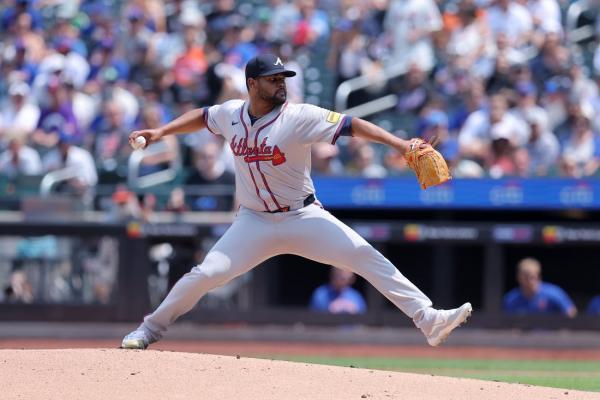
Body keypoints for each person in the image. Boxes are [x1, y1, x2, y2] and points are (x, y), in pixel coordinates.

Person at [121, 54, 472, 350]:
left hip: (302, 216)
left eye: (283, 77)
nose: (281, 83)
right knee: (206, 274)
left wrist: (399, 145)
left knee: (364, 255)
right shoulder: (231, 114)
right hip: (253, 222)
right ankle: (149, 329)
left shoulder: (299, 115)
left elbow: (353, 125)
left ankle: (428, 319)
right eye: (273, 79)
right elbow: (202, 116)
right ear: (252, 84)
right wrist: (161, 132)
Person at [503, 257, 577, 317]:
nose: (529, 281)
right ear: (519, 278)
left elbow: (571, 313)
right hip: (522, 335)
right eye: (525, 278)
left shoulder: (554, 293)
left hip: (551, 334)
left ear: (538, 277)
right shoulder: (511, 298)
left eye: (532, 277)